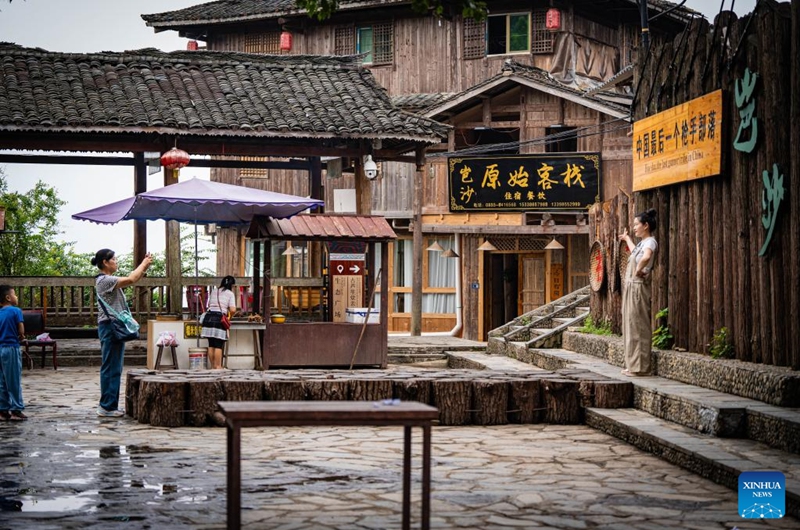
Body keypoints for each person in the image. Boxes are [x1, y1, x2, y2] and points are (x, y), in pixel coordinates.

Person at [93, 249, 152, 417]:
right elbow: (132, 278)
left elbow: (134, 277)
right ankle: (106, 406)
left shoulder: (108, 280)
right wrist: (144, 264)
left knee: (114, 367)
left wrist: (144, 266)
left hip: (111, 326)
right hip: (109, 326)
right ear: (105, 262)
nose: (116, 261)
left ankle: (109, 405)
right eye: (114, 259)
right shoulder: (104, 280)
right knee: (111, 367)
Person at [618, 209, 658, 377]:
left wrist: (639, 269)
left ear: (646, 225)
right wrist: (627, 239)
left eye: (636, 225)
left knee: (638, 325)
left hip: (638, 286)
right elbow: (636, 252)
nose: (634, 228)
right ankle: (633, 365)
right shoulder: (642, 243)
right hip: (632, 286)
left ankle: (641, 367)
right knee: (630, 324)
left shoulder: (650, 242)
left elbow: (647, 257)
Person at [0, 285, 26, 421]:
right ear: (8, 298)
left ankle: (3, 410)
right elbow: (20, 329)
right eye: (14, 294)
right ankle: (16, 408)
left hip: (0, 347)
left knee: (1, 381)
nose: (16, 297)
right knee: (13, 380)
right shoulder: (16, 311)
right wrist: (22, 337)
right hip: (11, 348)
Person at [201, 276, 237, 369]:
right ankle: (218, 366)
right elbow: (233, 309)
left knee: (211, 344)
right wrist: (229, 317)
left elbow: (210, 304)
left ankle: (213, 367)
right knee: (218, 345)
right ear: (231, 285)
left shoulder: (214, 291)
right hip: (219, 319)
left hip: (208, 318)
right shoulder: (230, 293)